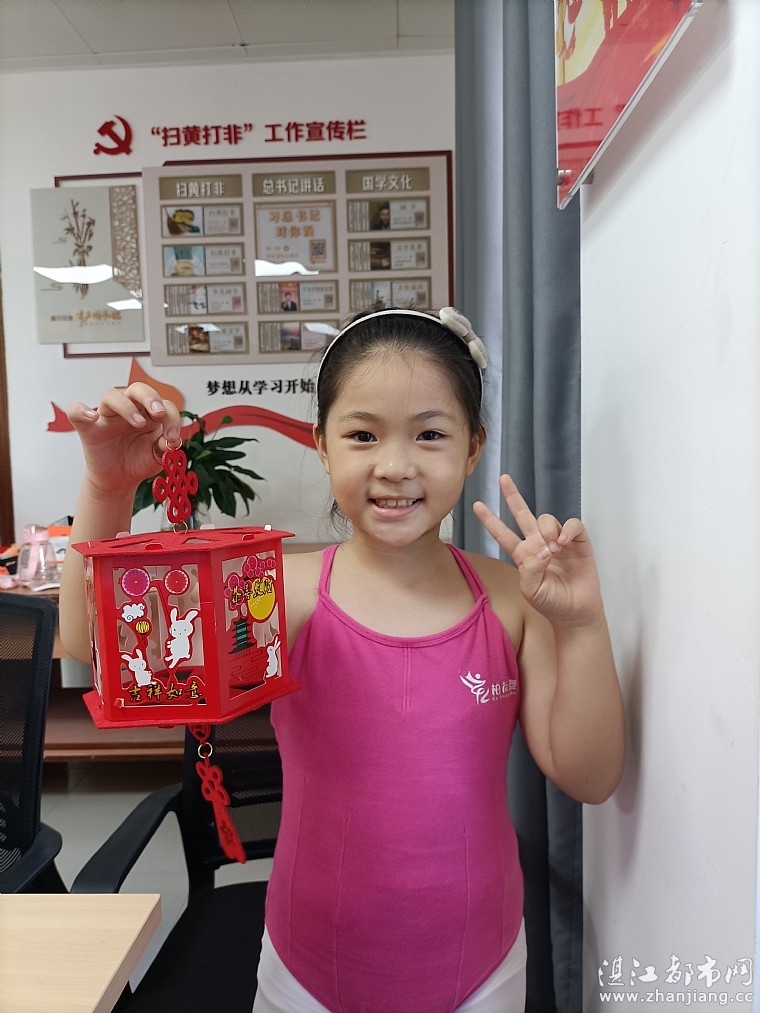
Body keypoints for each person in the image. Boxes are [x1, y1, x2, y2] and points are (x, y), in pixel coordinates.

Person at [60, 307, 625, 1013]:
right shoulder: (277, 591)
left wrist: (580, 623)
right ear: (322, 446)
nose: (395, 466)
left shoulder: (514, 599)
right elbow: (92, 645)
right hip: (307, 971)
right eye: (362, 435)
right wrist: (107, 487)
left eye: (430, 433)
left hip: (483, 966)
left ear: (473, 447)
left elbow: (590, 776)